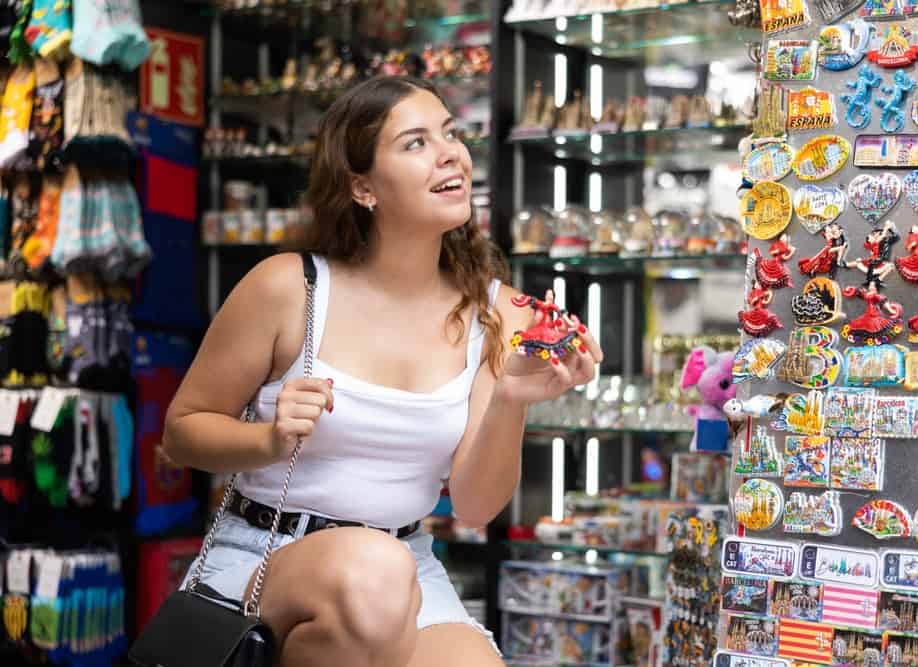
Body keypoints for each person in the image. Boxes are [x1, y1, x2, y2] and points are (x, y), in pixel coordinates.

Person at [162, 76, 603, 667]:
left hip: (407, 562)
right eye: (416, 142)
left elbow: (473, 508)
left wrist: (511, 401)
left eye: (450, 133)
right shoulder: (289, 287)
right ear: (363, 187)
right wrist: (267, 438)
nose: (451, 152)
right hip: (267, 556)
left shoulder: (501, 312)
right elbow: (183, 433)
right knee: (374, 576)